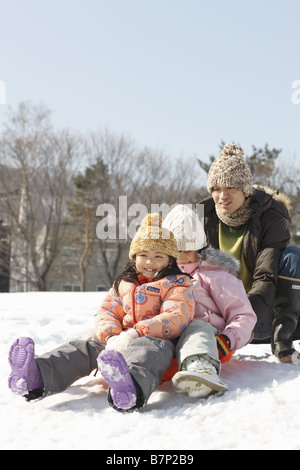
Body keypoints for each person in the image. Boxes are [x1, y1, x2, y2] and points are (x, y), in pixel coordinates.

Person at [8, 214, 195, 412]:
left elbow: (176, 316)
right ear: (134, 257)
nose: (150, 261)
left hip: (157, 339)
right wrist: (111, 335)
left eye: (159, 256)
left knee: (148, 351)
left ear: (170, 260)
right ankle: (37, 375)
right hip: (118, 339)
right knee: (86, 347)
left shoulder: (178, 283)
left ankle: (129, 387)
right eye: (143, 255)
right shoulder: (124, 282)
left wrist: (137, 332)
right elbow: (106, 311)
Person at [200, 143, 300, 363]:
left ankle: (283, 344)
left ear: (246, 191)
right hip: (221, 317)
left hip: (261, 318)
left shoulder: (271, 219)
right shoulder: (203, 218)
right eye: (216, 188)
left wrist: (243, 323)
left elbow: (266, 277)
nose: (221, 195)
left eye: (230, 188)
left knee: (293, 257)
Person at [163, 204, 257, 398]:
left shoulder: (214, 276)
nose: (180, 258)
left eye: (186, 250)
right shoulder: (158, 277)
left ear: (198, 249)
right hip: (167, 332)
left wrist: (228, 339)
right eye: (175, 251)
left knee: (196, 327)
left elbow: (243, 314)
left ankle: (202, 369)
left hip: (209, 338)